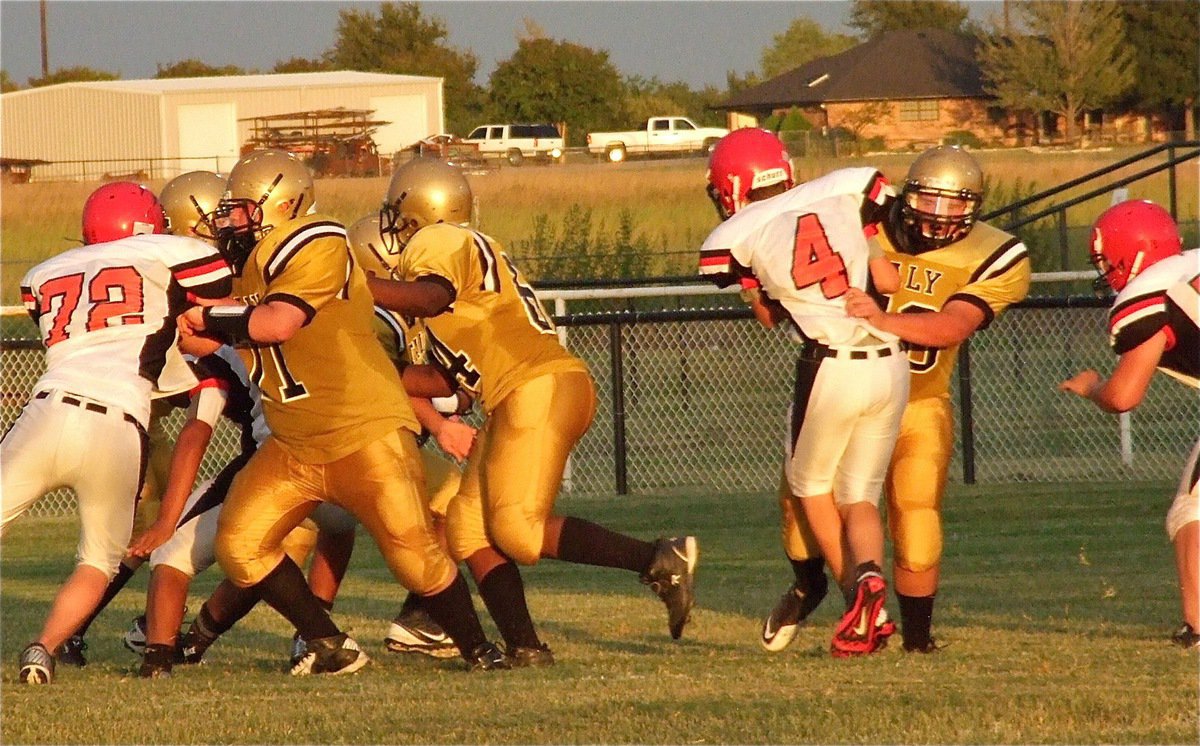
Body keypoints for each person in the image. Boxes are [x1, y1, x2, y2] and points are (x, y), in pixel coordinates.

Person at [177, 149, 506, 674]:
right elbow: (212, 338)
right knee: (240, 545)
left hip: (362, 430)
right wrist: (204, 325)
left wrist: (210, 317)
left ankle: (479, 649)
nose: (231, 220)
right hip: (294, 443)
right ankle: (328, 642)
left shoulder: (319, 238)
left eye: (241, 209)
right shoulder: (251, 268)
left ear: (281, 204)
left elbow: (277, 323)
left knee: (414, 555)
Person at [366, 159, 699, 663]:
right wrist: (371, 373)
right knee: (467, 527)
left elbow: (432, 297)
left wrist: (352, 285)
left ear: (421, 208)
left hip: (538, 386)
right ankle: (525, 646)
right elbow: (442, 380)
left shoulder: (440, 241)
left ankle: (658, 558)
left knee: (518, 530)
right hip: (518, 394)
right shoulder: (453, 263)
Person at [3, 181, 233, 684]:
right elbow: (211, 292)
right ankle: (43, 648)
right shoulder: (169, 250)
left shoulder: (42, 274)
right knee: (98, 560)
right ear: (148, 224)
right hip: (118, 422)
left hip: (46, 409)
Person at [700, 128, 907, 657]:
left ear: (731, 186)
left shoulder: (739, 233)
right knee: (860, 494)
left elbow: (770, 317)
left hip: (830, 364)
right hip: (890, 357)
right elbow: (887, 279)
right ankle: (871, 580)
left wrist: (764, 286)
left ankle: (858, 601)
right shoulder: (843, 192)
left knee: (811, 487)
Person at [842, 145, 1031, 653]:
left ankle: (917, 639)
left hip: (919, 401)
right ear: (907, 196)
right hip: (841, 396)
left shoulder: (994, 254)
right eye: (930, 200)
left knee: (918, 515)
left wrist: (883, 321)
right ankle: (844, 611)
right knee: (806, 521)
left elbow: (952, 326)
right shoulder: (861, 226)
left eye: (956, 206)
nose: (940, 216)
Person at [1059, 199, 1198, 649]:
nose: (1105, 271)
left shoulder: (1149, 292)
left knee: (1192, 512)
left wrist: (1090, 387)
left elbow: (1123, 397)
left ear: (1132, 253)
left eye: (1105, 259)